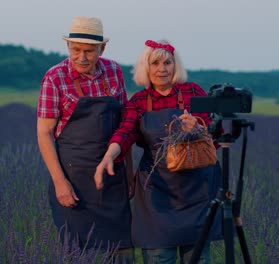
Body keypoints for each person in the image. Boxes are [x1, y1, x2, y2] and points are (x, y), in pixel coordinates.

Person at [94, 39, 222, 264]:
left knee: (198, 257)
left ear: (175, 66)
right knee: (158, 256)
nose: (162, 69)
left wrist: (200, 126)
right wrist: (108, 157)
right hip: (158, 193)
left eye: (167, 63)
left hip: (197, 189)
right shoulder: (139, 101)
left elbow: (217, 129)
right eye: (155, 63)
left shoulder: (193, 92)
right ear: (146, 67)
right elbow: (125, 133)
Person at [36, 16, 134, 262]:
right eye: (75, 49)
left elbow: (125, 126)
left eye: (89, 51)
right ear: (68, 47)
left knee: (122, 251)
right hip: (74, 179)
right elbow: (44, 133)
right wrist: (60, 182)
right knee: (76, 252)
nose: (82, 57)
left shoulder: (113, 71)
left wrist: (129, 175)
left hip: (112, 177)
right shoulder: (55, 77)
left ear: (102, 49)